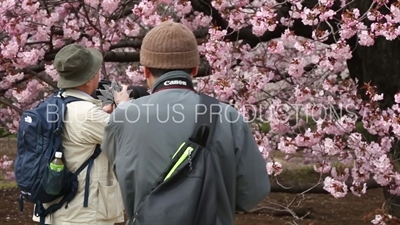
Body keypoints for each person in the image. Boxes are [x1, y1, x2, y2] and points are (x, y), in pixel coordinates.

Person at [101, 21, 271, 225]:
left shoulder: (123, 118)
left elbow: (118, 173)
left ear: (145, 71)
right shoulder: (227, 116)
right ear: (195, 69)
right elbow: (252, 193)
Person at [32, 43, 131, 224]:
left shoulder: (52, 104)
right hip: (83, 214)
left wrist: (106, 115)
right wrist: (124, 106)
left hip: (55, 207)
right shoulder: (88, 115)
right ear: (88, 79)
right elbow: (129, 139)